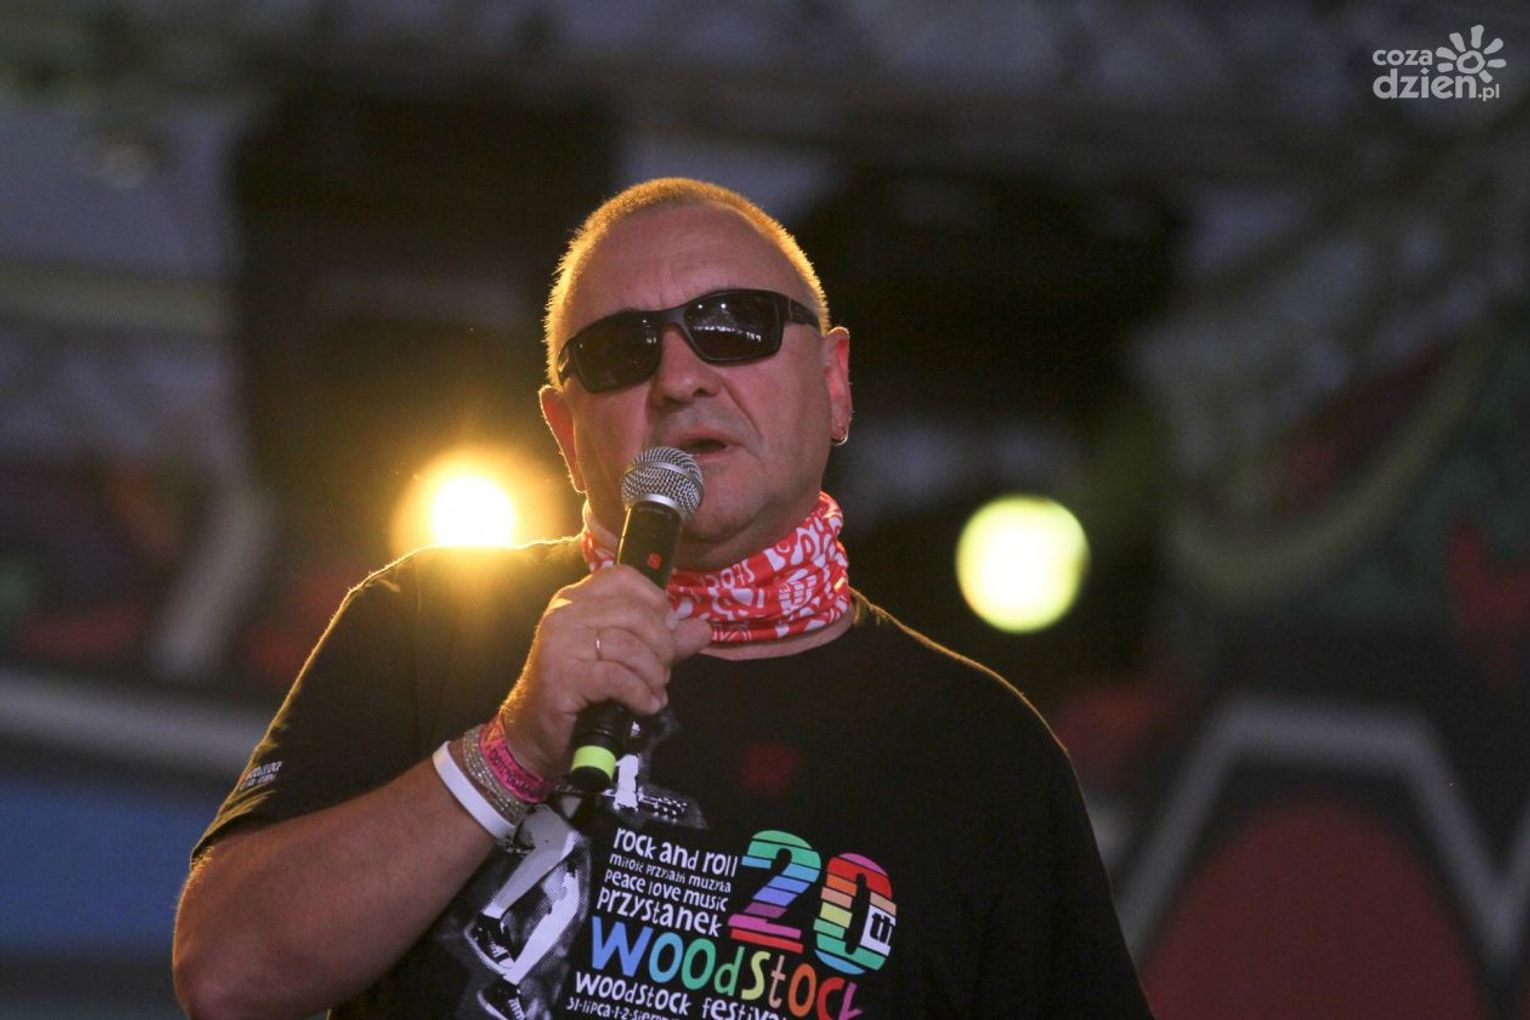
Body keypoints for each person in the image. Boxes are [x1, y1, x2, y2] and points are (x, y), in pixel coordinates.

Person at [172, 177, 1153, 1019]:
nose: (681, 377)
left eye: (735, 326)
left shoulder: (984, 750)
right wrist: (510, 752)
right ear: (566, 434)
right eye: (621, 352)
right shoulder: (429, 617)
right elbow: (227, 975)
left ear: (835, 382)